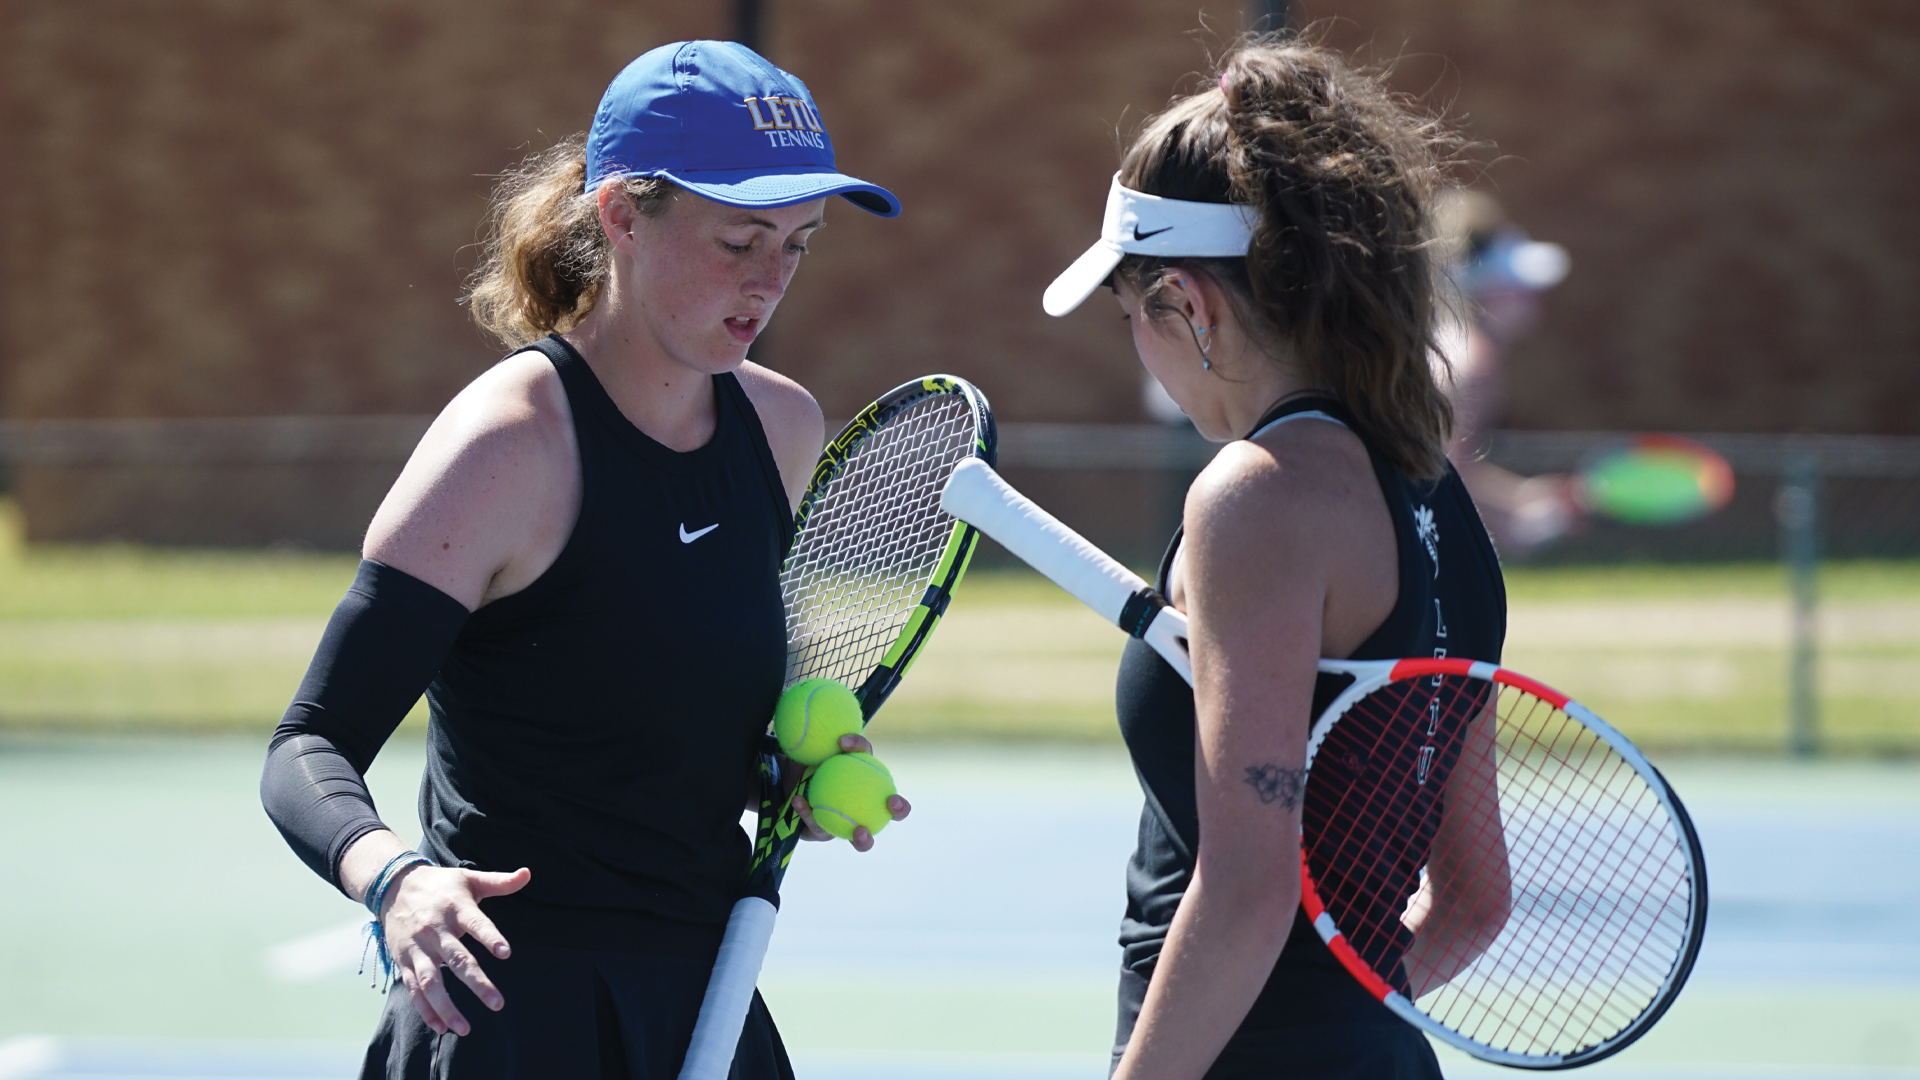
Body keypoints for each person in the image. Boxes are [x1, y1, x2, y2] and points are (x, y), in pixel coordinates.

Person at [259, 40, 907, 1080]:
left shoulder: (783, 429)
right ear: (621, 217)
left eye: (798, 243)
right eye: (739, 240)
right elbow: (309, 745)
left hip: (708, 994)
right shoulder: (508, 442)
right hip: (509, 1010)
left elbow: (661, 720)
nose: (770, 280)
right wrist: (395, 880)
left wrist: (782, 773)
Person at [1040, 35, 1508, 1080]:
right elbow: (1477, 903)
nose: (1138, 345)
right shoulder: (1439, 496)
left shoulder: (1254, 499)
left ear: (1189, 304)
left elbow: (1249, 892)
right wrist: (1338, 1020)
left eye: (1133, 314)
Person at [1431, 188, 1576, 553]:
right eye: (1517, 283)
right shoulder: (1473, 363)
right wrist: (1520, 519)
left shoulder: (1450, 348)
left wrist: (1523, 496)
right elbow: (1439, 483)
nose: (1532, 294)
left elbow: (1447, 467)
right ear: (1484, 289)